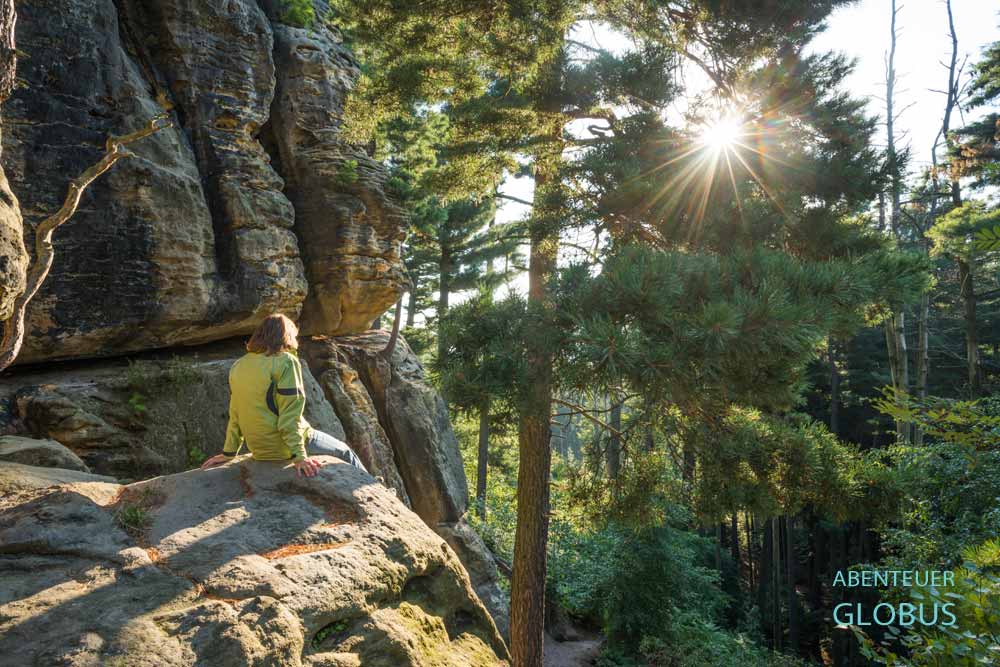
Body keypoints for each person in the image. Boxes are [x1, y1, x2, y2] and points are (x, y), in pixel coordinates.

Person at [200, 313, 367, 478]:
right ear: (286, 336)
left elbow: (235, 414)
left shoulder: (238, 365)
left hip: (259, 450)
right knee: (344, 451)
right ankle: (376, 486)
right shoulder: (286, 361)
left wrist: (228, 453)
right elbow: (290, 415)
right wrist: (299, 457)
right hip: (284, 447)